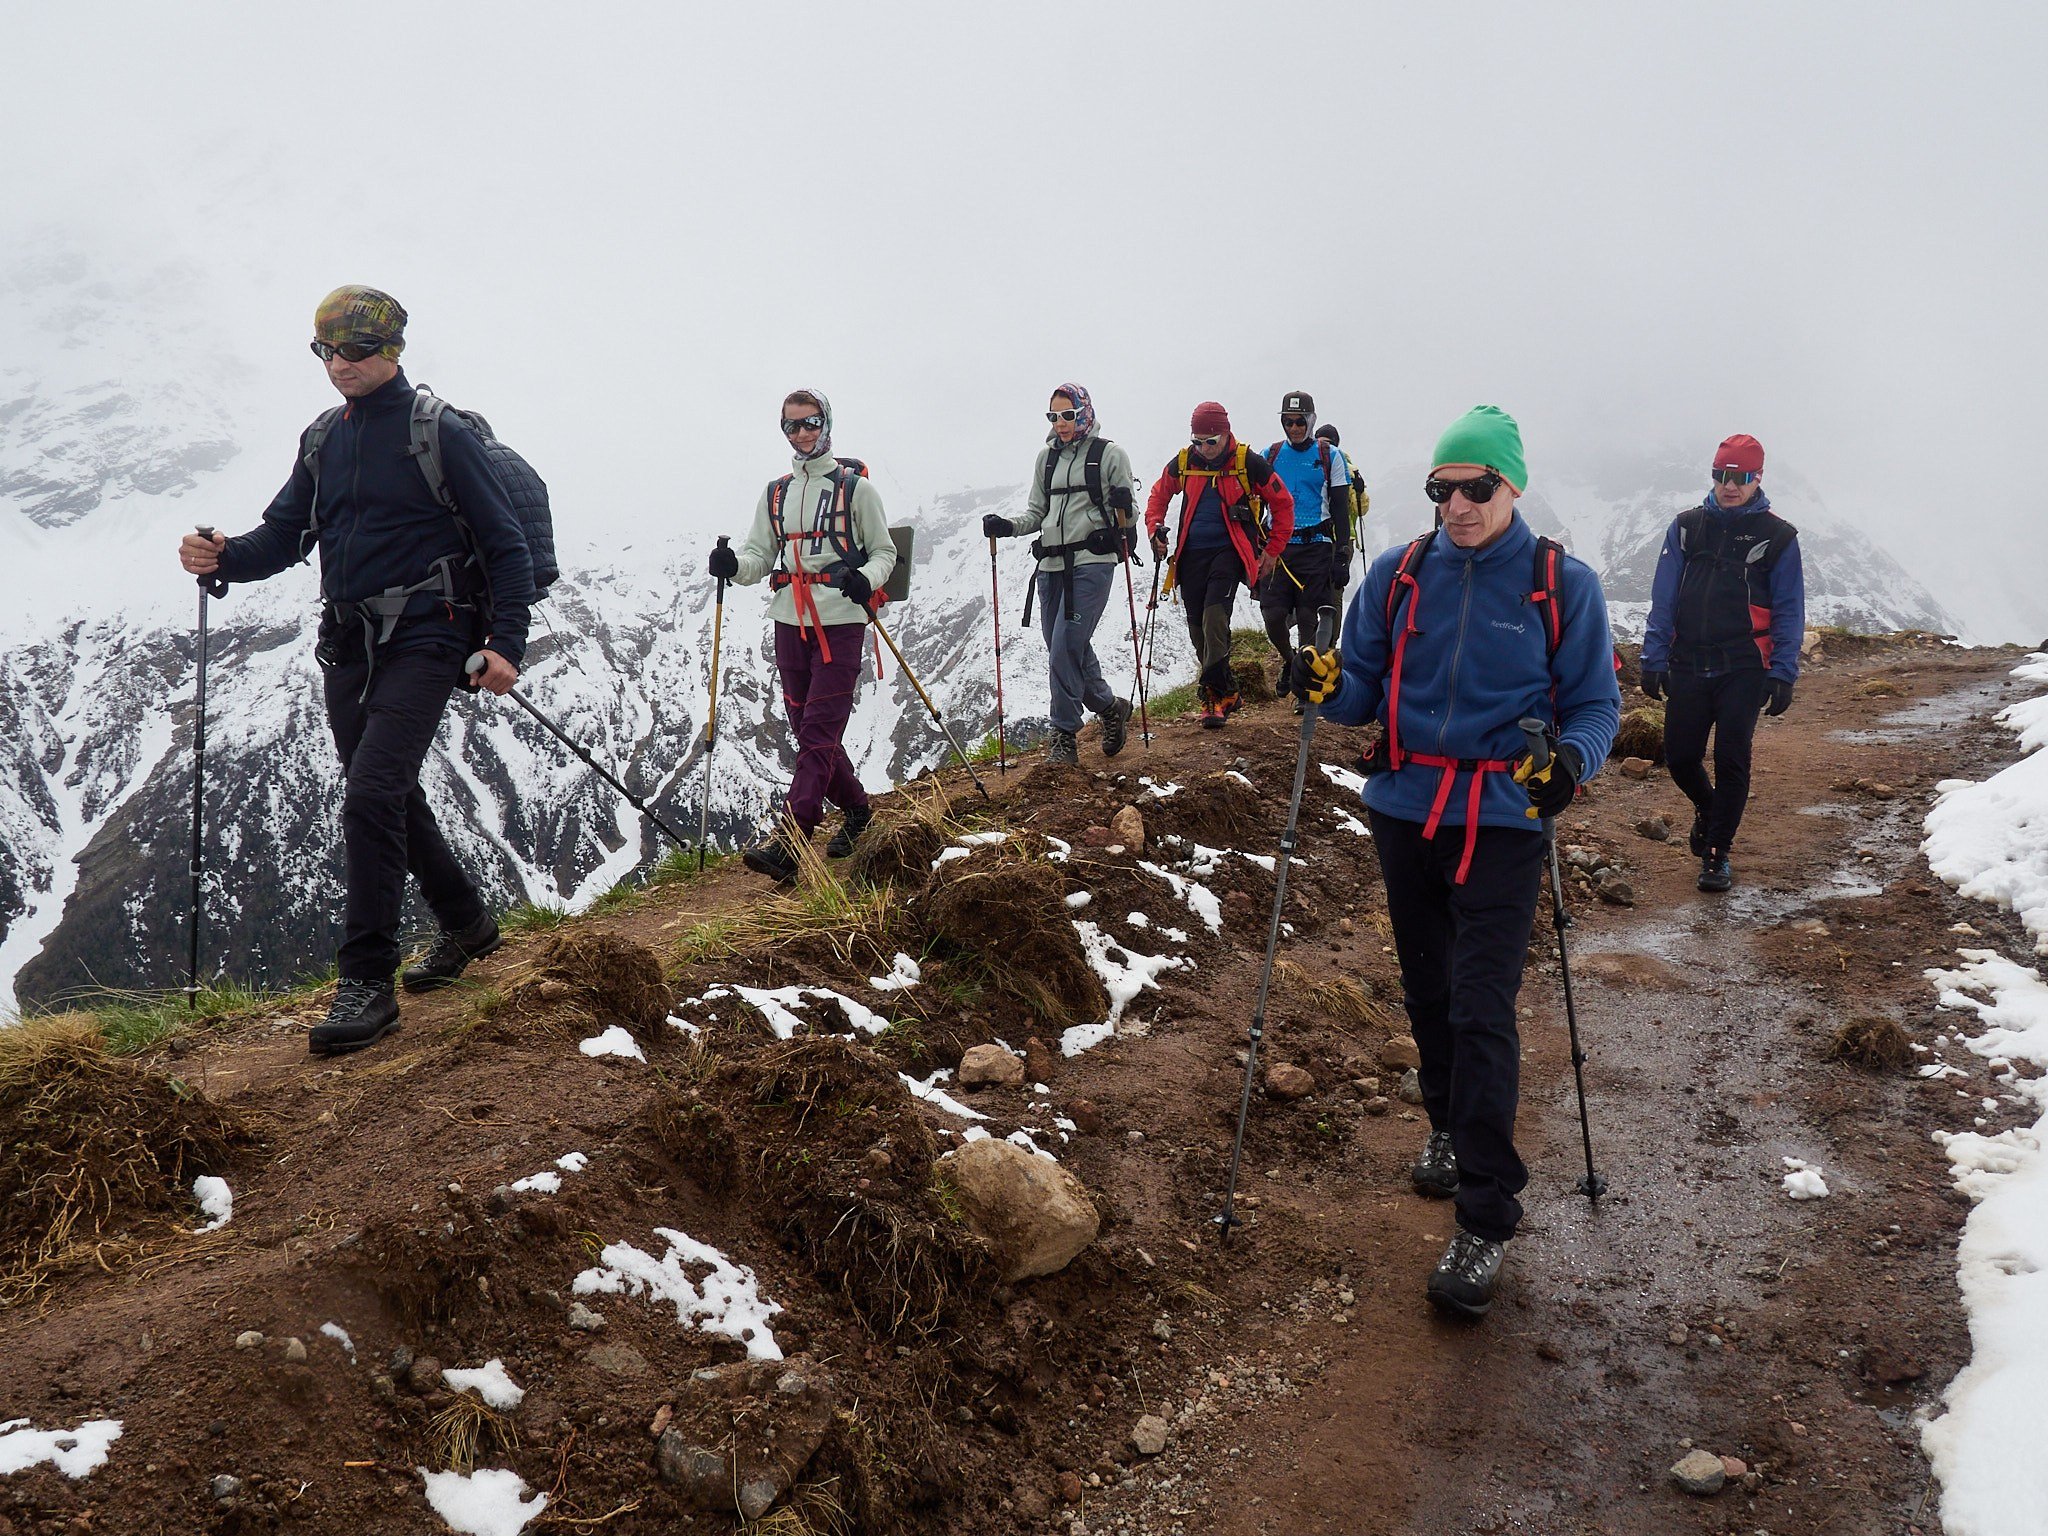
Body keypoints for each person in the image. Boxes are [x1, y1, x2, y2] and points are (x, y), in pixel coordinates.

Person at [1298, 405, 1620, 1318]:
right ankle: (1444, 1126)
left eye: (1478, 487)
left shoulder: (1564, 585)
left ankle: (1485, 1215)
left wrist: (1568, 766)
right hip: (1405, 810)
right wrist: (1325, 685)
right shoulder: (1400, 576)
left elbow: (1594, 706)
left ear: (1512, 486)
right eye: (1444, 489)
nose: (1459, 504)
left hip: (1504, 821)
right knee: (1427, 991)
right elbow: (1359, 691)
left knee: (1482, 1010)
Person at [177, 286, 535, 1056]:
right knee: (390, 792)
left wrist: (507, 642)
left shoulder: (438, 432)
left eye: (356, 350)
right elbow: (282, 535)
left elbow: (504, 543)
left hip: (431, 634)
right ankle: (468, 923)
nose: (340, 364)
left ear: (394, 350)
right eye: (327, 351)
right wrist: (222, 556)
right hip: (348, 639)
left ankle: (367, 978)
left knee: (370, 789)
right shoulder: (322, 440)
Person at [714, 390, 896, 883]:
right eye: (792, 427)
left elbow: (884, 553)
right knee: (806, 729)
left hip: (840, 619)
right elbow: (757, 556)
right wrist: (734, 567)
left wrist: (867, 579)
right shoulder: (776, 493)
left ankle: (794, 838)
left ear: (826, 422)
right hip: (789, 619)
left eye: (810, 423)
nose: (802, 434)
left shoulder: (857, 490)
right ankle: (858, 811)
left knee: (818, 729)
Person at [1638, 434, 1804, 894]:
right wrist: (1654, 657)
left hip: (1744, 664)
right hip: (1689, 660)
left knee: (1732, 757)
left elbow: (1790, 608)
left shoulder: (1778, 536)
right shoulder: (1687, 526)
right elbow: (1664, 594)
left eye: (1740, 477)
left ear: (1758, 478)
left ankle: (1717, 853)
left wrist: (1783, 671)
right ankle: (1709, 810)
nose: (1729, 486)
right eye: (1721, 475)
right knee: (1681, 756)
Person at [984, 383, 1138, 765]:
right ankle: (1110, 708)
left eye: (1068, 415)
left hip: (1093, 564)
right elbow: (1036, 513)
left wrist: (1124, 506)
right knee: (1064, 648)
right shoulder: (1045, 459)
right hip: (1051, 566)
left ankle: (1064, 735)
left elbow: (1129, 514)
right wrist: (1007, 526)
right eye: (1054, 416)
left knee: (1067, 642)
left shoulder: (1110, 454)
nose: (1061, 423)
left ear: (1083, 412)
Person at [1143, 402, 1293, 728]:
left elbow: (1283, 504)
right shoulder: (1185, 461)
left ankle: (1210, 697)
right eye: (1198, 441)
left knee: (1214, 617)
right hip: (1190, 555)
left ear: (1225, 434)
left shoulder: (1247, 463)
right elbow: (1158, 495)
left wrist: (1272, 551)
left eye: (1211, 441)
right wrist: (1155, 528)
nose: (1204, 449)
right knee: (1197, 630)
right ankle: (1227, 691)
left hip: (1230, 552)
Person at [1260, 392, 1357, 712]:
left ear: (1312, 420)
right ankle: (1291, 663)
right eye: (1287, 420)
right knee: (1272, 616)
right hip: (1279, 548)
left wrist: (1342, 554)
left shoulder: (1331, 456)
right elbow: (1253, 500)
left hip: (1318, 547)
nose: (1294, 426)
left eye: (1300, 421)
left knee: (1307, 619)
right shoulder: (1270, 456)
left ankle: (1304, 690)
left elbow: (1341, 509)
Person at [1314, 422, 1370, 587]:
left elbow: (1361, 509)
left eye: (1328, 443)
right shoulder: (1350, 469)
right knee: (1332, 590)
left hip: (1333, 538)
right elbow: (1360, 510)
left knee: (1328, 589)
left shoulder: (1349, 470)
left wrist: (1359, 492)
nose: (1324, 446)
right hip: (1336, 537)